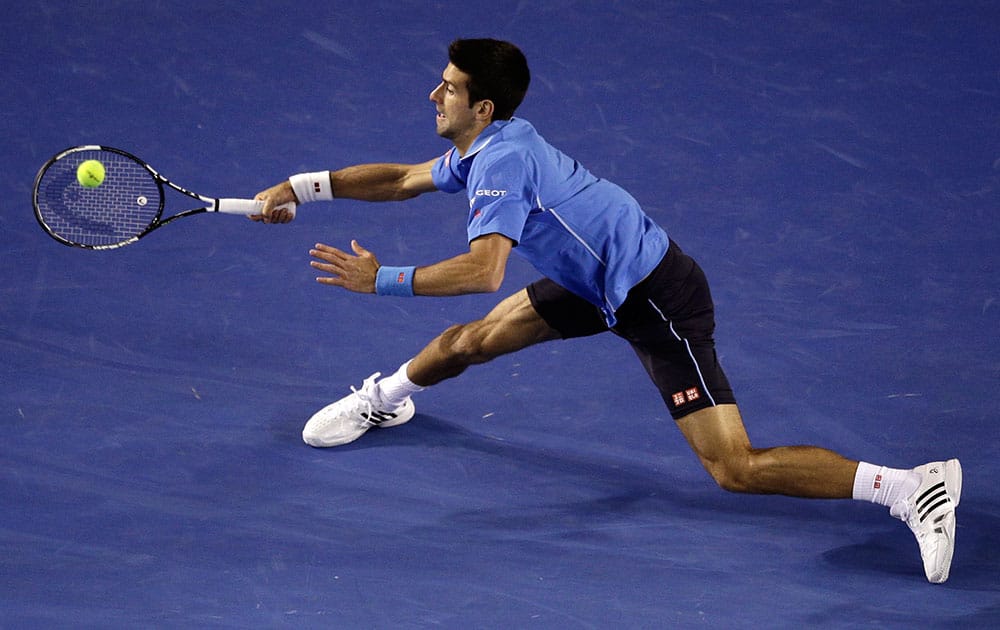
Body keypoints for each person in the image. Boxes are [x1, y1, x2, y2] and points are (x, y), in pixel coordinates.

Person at [252, 38, 961, 583]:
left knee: (734, 468)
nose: (433, 93)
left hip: (655, 298)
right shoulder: (486, 145)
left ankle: (909, 488)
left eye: (449, 87)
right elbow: (403, 180)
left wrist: (383, 281)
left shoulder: (501, 163)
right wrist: (298, 186)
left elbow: (483, 269)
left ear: (483, 109)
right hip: (595, 282)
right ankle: (388, 399)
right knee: (473, 343)